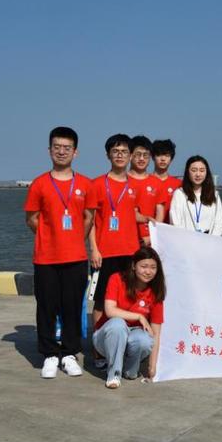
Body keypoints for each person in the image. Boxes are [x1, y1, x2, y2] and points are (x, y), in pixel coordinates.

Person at [24, 126, 95, 379]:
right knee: (46, 306)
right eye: (57, 147)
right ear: (49, 150)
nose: (61, 152)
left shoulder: (85, 184)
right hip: (46, 257)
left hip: (76, 257)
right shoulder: (39, 184)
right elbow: (31, 218)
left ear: (75, 152)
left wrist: (73, 238)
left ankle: (69, 353)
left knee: (72, 307)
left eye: (67, 148)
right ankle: (50, 354)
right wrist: (50, 235)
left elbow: (88, 218)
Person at [89, 134, 141, 348]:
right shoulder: (96, 184)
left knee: (127, 299)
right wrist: (93, 249)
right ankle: (98, 349)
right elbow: (90, 221)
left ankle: (122, 343)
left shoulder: (134, 185)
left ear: (130, 156)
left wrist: (153, 222)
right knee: (101, 301)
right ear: (108, 155)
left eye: (124, 152)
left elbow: (134, 215)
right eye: (115, 151)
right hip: (104, 253)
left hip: (130, 253)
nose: (120, 155)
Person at [92, 246, 166, 389]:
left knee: (145, 339)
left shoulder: (156, 291)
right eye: (144, 266)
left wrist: (152, 368)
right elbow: (110, 311)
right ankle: (114, 374)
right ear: (133, 266)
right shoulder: (116, 279)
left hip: (133, 336)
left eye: (153, 267)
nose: (148, 271)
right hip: (106, 337)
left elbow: (156, 333)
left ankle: (130, 371)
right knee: (118, 324)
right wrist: (139, 316)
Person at [170, 155, 222, 235]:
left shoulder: (214, 194)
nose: (198, 174)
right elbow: (175, 221)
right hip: (185, 240)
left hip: (209, 241)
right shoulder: (180, 194)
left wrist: (211, 239)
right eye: (194, 170)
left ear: (207, 173)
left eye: (202, 170)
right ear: (187, 172)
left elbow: (219, 222)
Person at [128, 135, 163, 246]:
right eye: (138, 154)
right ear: (130, 155)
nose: (142, 159)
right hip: (127, 238)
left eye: (145, 155)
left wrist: (153, 236)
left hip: (150, 240)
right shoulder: (123, 180)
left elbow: (160, 213)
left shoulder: (157, 182)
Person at [150, 139, 182, 223]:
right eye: (159, 155)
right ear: (153, 157)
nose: (163, 159)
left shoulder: (179, 184)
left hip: (171, 228)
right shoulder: (145, 181)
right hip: (149, 227)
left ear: (171, 159)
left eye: (167, 155)